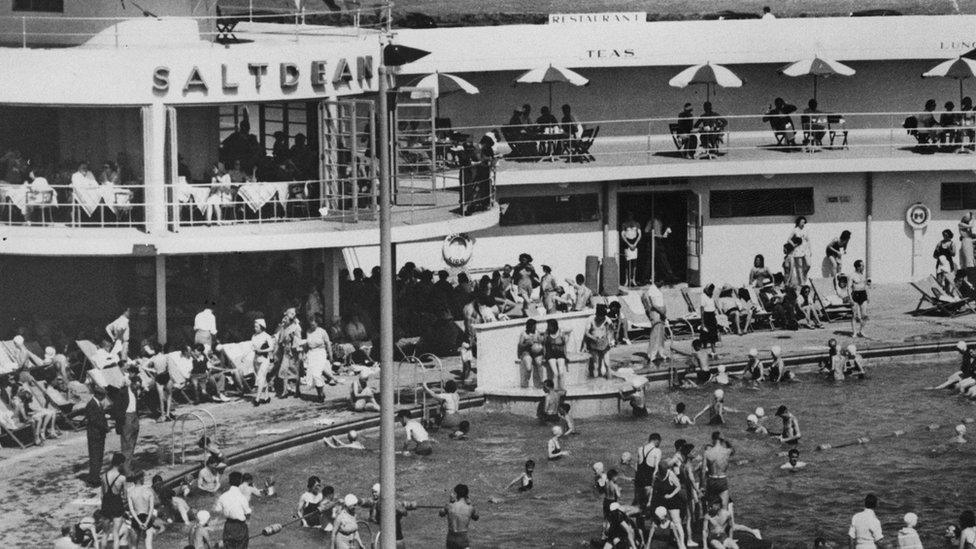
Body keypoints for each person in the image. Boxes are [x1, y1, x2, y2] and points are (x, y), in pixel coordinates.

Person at [303, 314, 336, 402]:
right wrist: (304, 354)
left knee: (317, 373)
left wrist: (331, 355)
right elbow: (307, 344)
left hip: (320, 353)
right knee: (313, 375)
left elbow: (328, 343)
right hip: (311, 354)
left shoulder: (322, 331)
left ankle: (320, 394)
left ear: (317, 323)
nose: (312, 326)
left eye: (313, 324)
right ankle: (320, 392)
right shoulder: (308, 332)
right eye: (310, 324)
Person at [214, 471, 251, 549]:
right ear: (241, 482)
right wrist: (247, 523)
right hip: (240, 526)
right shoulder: (242, 497)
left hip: (228, 526)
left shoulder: (223, 496)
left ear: (229, 482)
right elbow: (248, 513)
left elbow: (217, 509)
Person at [101, 453, 127, 549]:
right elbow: (125, 495)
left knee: (105, 533)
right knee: (116, 534)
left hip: (106, 503)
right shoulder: (122, 478)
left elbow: (102, 494)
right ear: (120, 464)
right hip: (117, 503)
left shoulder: (104, 476)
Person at [275, 308, 302, 399]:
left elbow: (299, 340)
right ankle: (285, 391)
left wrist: (293, 337)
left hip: (294, 351)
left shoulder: (296, 327)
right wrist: (281, 328)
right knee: (284, 370)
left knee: (296, 371)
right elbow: (280, 340)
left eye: (287, 318)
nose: (285, 320)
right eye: (284, 318)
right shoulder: (284, 328)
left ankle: (297, 390)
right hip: (286, 351)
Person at [702, 431, 734, 509]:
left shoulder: (707, 453)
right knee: (724, 506)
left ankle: (710, 520)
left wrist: (702, 485)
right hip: (722, 479)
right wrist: (726, 441)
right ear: (721, 440)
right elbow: (733, 450)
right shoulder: (727, 451)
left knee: (711, 505)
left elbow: (703, 471)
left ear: (713, 439)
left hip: (712, 479)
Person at [441, 483, 478, 549]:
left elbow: (441, 513)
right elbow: (476, 517)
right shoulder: (470, 508)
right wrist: (470, 504)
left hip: (451, 537)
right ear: (467, 495)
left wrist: (450, 502)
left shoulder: (449, 506)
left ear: (456, 494)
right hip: (462, 538)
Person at [125, 470, 156, 549]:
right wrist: (146, 523)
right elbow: (151, 509)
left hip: (136, 519)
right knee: (149, 546)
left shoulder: (130, 492)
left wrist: (139, 523)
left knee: (134, 546)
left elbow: (132, 510)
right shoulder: (149, 491)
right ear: (141, 478)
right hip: (147, 518)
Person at [661, 459, 688, 549]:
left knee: (677, 522)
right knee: (669, 522)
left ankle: (682, 543)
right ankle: (673, 539)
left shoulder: (671, 474)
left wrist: (671, 495)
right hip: (664, 502)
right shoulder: (658, 474)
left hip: (673, 501)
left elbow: (679, 486)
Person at [641, 281, 670, 364]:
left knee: (661, 334)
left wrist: (664, 312)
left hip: (661, 313)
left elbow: (662, 302)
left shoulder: (658, 290)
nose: (662, 283)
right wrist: (662, 313)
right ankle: (651, 355)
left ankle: (661, 353)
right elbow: (654, 305)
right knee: (655, 333)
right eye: (660, 281)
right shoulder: (652, 290)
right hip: (656, 313)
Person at [250, 319, 275, 406]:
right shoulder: (254, 336)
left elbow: (271, 348)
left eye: (257, 326)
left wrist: (261, 350)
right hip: (256, 359)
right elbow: (252, 347)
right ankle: (267, 397)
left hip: (264, 359)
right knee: (261, 378)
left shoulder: (266, 336)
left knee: (261, 378)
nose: (255, 328)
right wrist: (244, 356)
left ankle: (257, 399)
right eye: (255, 326)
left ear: (262, 327)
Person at [634, 433, 661, 508]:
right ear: (657, 441)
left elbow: (637, 467)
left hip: (639, 481)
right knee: (649, 506)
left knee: (638, 506)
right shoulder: (657, 451)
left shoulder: (640, 449)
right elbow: (656, 470)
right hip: (648, 481)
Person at [585, 304, 613, 378]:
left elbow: (611, 331)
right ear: (596, 314)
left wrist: (610, 340)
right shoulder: (591, 319)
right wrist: (594, 338)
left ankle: (610, 381)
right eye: (600, 318)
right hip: (594, 344)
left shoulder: (607, 320)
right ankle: (596, 385)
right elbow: (587, 333)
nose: (601, 320)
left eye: (602, 318)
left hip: (605, 344)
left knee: (607, 364)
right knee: (596, 365)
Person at [517, 318, 545, 389]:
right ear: (529, 326)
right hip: (526, 352)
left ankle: (541, 381)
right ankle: (525, 382)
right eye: (533, 326)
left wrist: (539, 344)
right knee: (529, 368)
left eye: (535, 326)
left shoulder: (537, 332)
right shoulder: (523, 334)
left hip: (535, 352)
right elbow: (520, 345)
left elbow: (541, 342)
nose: (535, 327)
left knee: (539, 363)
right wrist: (527, 344)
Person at [545, 319, 572, 390]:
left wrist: (566, 356)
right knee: (555, 373)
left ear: (554, 326)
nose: (548, 327)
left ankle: (562, 389)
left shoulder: (561, 332)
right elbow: (545, 345)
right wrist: (544, 356)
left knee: (561, 372)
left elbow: (564, 345)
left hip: (560, 354)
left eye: (550, 326)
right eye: (548, 326)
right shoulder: (547, 333)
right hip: (551, 354)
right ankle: (555, 389)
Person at [620, 212, 642, 286]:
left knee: (634, 263)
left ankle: (634, 279)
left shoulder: (637, 224)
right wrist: (628, 244)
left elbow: (639, 234)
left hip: (635, 243)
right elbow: (622, 234)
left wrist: (635, 243)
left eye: (631, 215)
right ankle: (627, 280)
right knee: (627, 263)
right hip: (627, 244)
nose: (630, 216)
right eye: (629, 215)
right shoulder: (624, 224)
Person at [699, 284, 720, 357]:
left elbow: (714, 306)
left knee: (713, 334)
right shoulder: (703, 296)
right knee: (705, 334)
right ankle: (704, 351)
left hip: (712, 315)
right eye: (710, 289)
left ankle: (713, 351)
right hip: (706, 315)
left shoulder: (712, 296)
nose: (711, 291)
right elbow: (702, 309)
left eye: (712, 289)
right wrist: (702, 322)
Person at [850, 259, 870, 338]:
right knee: (855, 315)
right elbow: (849, 288)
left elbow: (866, 286)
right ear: (858, 267)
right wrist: (851, 299)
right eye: (862, 266)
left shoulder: (863, 275)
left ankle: (862, 331)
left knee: (864, 315)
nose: (863, 267)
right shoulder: (852, 275)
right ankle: (854, 332)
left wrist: (868, 296)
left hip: (863, 294)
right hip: (855, 294)